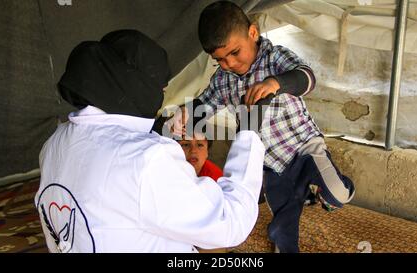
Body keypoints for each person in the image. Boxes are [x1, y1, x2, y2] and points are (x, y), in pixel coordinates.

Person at [34, 29, 265, 253]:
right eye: (159, 85)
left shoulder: (55, 143)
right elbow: (230, 223)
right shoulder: (146, 161)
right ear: (133, 84)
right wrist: (249, 130)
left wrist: (159, 129)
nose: (163, 91)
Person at [171, 1, 355, 253]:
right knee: (281, 232)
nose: (229, 64)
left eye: (235, 52)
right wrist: (184, 115)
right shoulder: (223, 79)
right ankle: (301, 194)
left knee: (338, 195)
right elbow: (206, 105)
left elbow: (307, 78)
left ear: (253, 33)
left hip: (303, 150)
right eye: (220, 59)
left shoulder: (273, 57)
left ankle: (317, 190)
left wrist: (275, 82)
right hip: (268, 165)